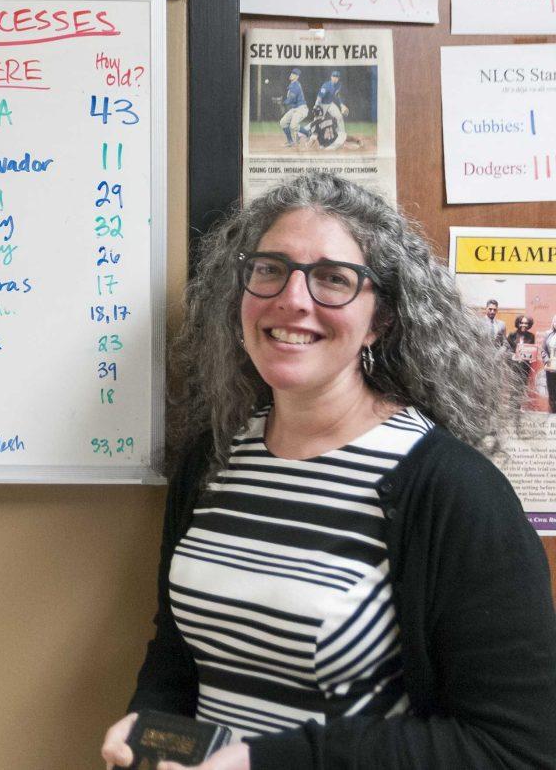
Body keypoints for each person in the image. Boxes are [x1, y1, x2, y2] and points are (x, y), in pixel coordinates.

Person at [101, 172, 556, 770]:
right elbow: (178, 653)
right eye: (269, 269)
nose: (292, 299)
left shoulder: (452, 490)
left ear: (381, 320)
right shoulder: (211, 461)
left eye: (333, 279)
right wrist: (149, 725)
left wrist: (262, 762)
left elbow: (517, 747)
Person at [311, 70, 347, 150]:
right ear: (331, 77)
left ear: (338, 78)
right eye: (334, 76)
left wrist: (342, 105)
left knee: (339, 117)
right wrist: (316, 106)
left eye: (336, 77)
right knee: (317, 122)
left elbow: (338, 95)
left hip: (330, 104)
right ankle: (313, 140)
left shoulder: (338, 85)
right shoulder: (326, 86)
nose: (335, 78)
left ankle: (341, 136)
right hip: (322, 104)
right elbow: (320, 97)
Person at [507, 315, 537, 397]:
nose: (524, 325)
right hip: (513, 367)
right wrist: (512, 356)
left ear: (529, 324)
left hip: (524, 368)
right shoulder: (512, 335)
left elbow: (532, 351)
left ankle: (518, 408)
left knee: (521, 389)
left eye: (526, 323)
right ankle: (512, 408)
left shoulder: (531, 336)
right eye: (521, 323)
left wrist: (532, 357)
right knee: (513, 389)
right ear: (518, 323)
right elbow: (507, 350)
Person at [278, 69, 308, 149]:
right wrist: (282, 101)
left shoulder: (295, 85)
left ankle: (308, 134)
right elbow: (290, 99)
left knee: (293, 125)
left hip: (301, 108)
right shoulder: (292, 84)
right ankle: (290, 141)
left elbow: (291, 99)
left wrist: (282, 102)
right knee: (283, 122)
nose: (291, 74)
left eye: (294, 74)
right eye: (292, 73)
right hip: (295, 109)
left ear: (297, 77)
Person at [543, 314, 556, 413]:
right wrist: (546, 360)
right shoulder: (548, 334)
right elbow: (543, 350)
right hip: (550, 367)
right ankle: (553, 411)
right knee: (551, 389)